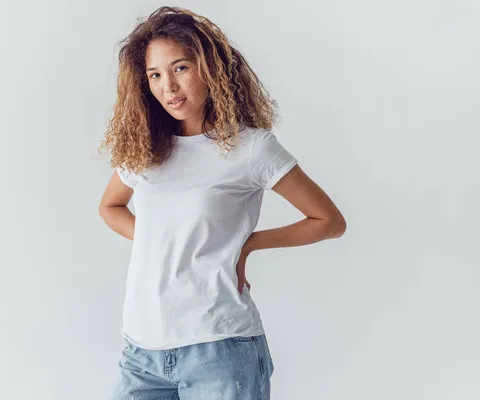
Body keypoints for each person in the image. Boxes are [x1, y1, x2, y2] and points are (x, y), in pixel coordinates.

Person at [97, 6, 347, 399]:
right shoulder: (146, 148)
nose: (168, 87)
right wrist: (155, 237)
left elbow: (328, 221)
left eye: (180, 68)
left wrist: (247, 244)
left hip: (220, 349)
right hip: (141, 351)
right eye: (155, 75)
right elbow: (110, 207)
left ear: (209, 67)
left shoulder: (251, 148)